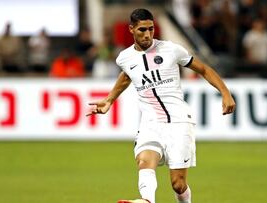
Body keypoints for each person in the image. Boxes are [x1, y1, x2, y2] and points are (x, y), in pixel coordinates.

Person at [87, 8, 235, 203]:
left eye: (151, 29)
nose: (147, 34)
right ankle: (147, 200)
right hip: (150, 122)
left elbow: (204, 69)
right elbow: (127, 76)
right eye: (142, 30)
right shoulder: (124, 57)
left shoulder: (172, 49)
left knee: (178, 184)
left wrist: (225, 93)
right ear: (131, 29)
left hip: (179, 121)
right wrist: (109, 100)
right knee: (144, 161)